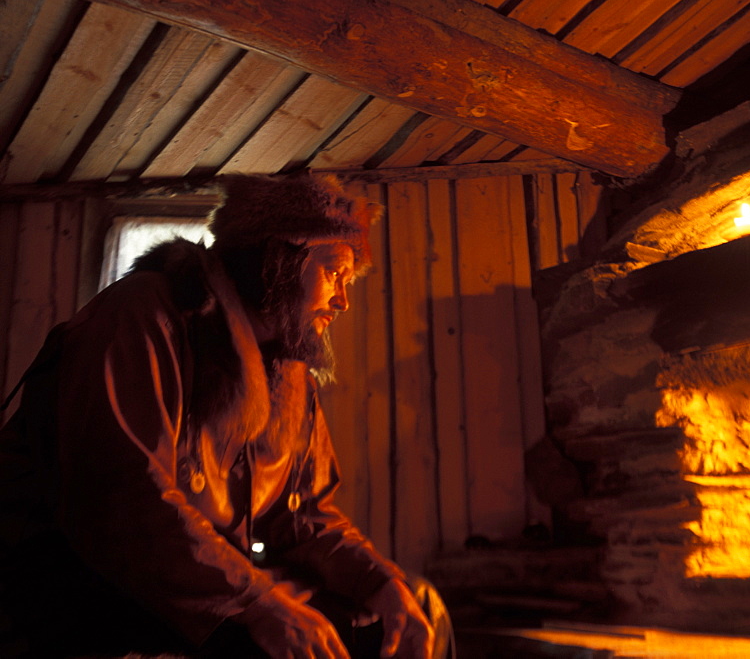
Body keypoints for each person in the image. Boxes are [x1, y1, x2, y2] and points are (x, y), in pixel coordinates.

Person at [0, 173, 453, 658]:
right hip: (77, 576)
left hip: (207, 575)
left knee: (408, 608)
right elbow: (124, 498)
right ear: (280, 259)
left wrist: (377, 582)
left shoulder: (288, 369)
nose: (342, 300)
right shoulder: (144, 313)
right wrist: (259, 604)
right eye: (334, 273)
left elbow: (303, 516)